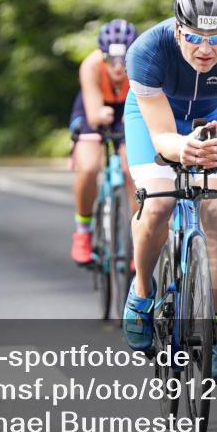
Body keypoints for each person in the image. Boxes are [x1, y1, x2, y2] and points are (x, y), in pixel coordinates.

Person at [122, 0, 217, 380]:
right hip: (155, 117)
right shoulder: (146, 53)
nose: (205, 49)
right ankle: (142, 295)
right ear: (176, 28)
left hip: (213, 116)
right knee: (159, 203)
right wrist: (179, 148)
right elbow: (161, 137)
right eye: (193, 37)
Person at [69, 19, 138, 266]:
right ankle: (83, 231)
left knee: (132, 169)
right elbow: (94, 114)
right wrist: (99, 116)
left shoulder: (143, 64)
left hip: (129, 109)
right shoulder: (91, 65)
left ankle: (139, 238)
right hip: (94, 105)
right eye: (111, 59)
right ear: (102, 55)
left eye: (124, 60)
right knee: (88, 166)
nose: (118, 68)